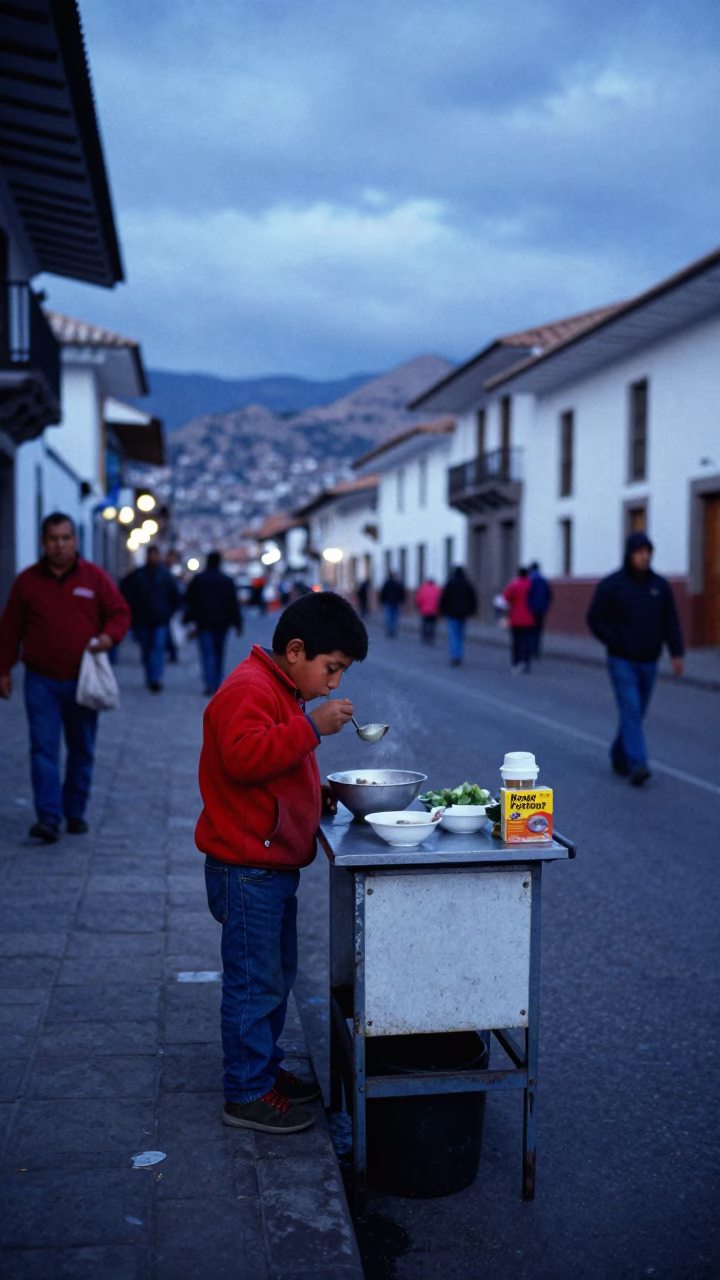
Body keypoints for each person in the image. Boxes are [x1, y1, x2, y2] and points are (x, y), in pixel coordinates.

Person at [196, 591, 368, 1134]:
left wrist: (313, 794)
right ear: (296, 650)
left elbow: (278, 764)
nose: (335, 683)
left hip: (268, 866)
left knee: (275, 976)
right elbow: (244, 758)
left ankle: (264, 1071)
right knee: (254, 982)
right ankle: (245, 1091)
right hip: (247, 867)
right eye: (332, 668)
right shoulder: (249, 688)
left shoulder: (279, 687)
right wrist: (313, 726)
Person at [0, 512, 130, 843]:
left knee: (81, 748)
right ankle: (48, 817)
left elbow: (119, 613)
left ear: (75, 540)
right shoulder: (26, 582)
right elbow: (10, 628)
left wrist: (108, 638)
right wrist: (3, 668)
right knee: (42, 748)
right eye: (53, 539)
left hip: (81, 678)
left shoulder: (94, 578)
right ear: (43, 542)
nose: (59, 545)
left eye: (65, 538)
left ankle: (75, 811)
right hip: (40, 679)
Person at [587, 531, 684, 786]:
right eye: (640, 552)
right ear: (630, 555)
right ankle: (638, 763)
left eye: (647, 552)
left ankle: (619, 754)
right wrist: (612, 640)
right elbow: (594, 618)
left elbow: (670, 621)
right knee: (630, 707)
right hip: (622, 659)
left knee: (637, 712)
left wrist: (677, 652)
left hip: (649, 660)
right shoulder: (612, 585)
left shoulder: (660, 586)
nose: (644, 557)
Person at [121, 546, 181, 692]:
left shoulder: (165, 575)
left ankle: (155, 678)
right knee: (147, 649)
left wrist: (168, 613)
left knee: (158, 649)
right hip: (143, 620)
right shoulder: (139, 575)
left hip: (160, 619)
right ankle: (150, 676)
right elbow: (127, 594)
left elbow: (174, 596)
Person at [184, 551, 243, 695]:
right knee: (219, 654)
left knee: (207, 654)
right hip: (222, 624)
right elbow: (233, 604)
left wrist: (189, 620)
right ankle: (218, 682)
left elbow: (191, 602)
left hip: (203, 623)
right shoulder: (226, 580)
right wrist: (238, 624)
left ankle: (210, 683)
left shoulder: (199, 579)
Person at [440, 566, 477, 666]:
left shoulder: (450, 584)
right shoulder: (467, 584)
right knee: (461, 635)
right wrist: (472, 611)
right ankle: (459, 655)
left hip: (452, 613)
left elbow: (444, 598)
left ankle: (454, 656)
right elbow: (473, 598)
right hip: (463, 613)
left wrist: (442, 610)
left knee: (453, 635)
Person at [503, 566, 536, 673]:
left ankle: (516, 662)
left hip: (515, 618)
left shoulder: (514, 584)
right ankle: (526, 662)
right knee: (527, 641)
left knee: (516, 642)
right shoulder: (531, 584)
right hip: (529, 617)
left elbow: (505, 597)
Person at [528, 561, 553, 658]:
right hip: (541, 609)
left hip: (530, 609)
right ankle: (536, 650)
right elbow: (549, 595)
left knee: (529, 630)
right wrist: (546, 605)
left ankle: (529, 648)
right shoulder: (544, 580)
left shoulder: (529, 580)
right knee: (538, 630)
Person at [415, 577, 442, 644]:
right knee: (432, 625)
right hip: (434, 611)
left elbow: (419, 599)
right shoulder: (437, 590)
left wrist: (419, 607)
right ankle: (431, 637)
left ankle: (425, 636)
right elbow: (440, 600)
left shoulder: (423, 589)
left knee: (425, 624)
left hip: (425, 610)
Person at [379, 571, 405, 637]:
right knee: (395, 617)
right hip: (396, 602)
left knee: (389, 616)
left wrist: (382, 601)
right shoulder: (398, 583)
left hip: (389, 602)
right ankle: (393, 630)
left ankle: (389, 630)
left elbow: (383, 592)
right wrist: (402, 600)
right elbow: (402, 592)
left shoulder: (387, 583)